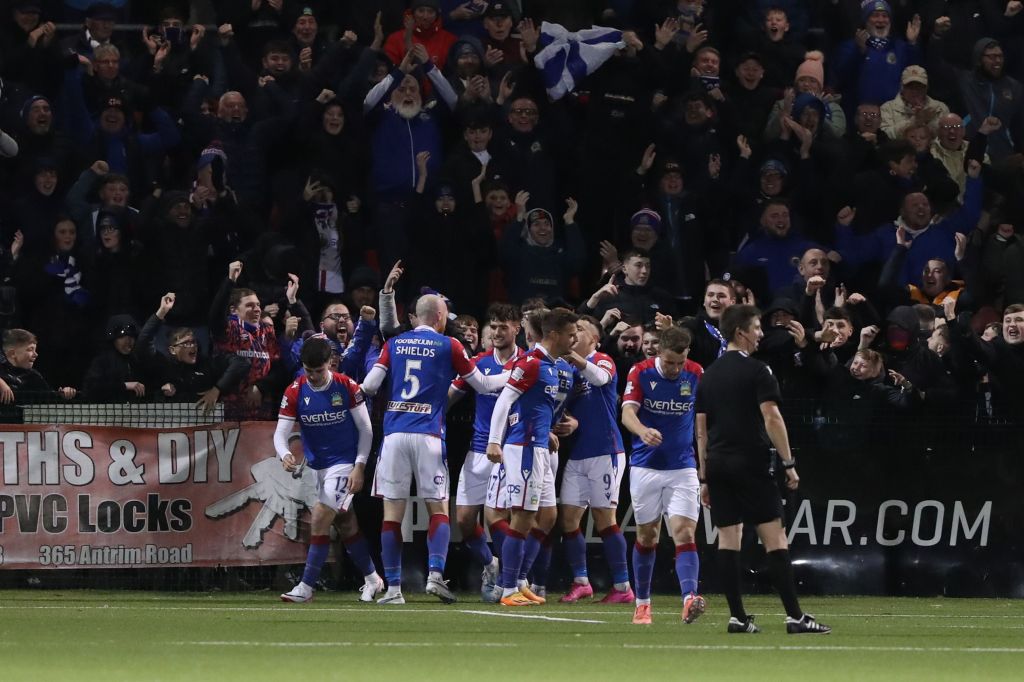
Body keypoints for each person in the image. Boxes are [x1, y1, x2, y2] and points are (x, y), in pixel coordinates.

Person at [360, 294, 506, 604]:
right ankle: (435, 575)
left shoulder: (394, 344)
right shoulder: (449, 345)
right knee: (438, 509)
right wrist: (516, 374)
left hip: (395, 434)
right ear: (440, 317)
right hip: (429, 435)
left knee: (392, 515)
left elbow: (370, 386)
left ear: (417, 316)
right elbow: (482, 384)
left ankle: (394, 589)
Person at [695, 304, 831, 634]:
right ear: (740, 331)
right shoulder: (758, 370)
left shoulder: (708, 374)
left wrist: (704, 476)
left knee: (728, 538)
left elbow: (700, 429)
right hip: (750, 461)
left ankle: (738, 618)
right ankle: (795, 617)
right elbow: (772, 417)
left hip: (717, 463)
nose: (760, 334)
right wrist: (788, 462)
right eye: (756, 328)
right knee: (774, 536)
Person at [276, 337, 384, 604]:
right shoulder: (294, 390)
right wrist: (285, 454)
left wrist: (359, 466)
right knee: (346, 524)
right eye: (308, 370)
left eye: (318, 370)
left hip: (344, 463)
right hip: (317, 467)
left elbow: (366, 430)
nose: (312, 376)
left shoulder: (347, 387)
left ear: (330, 363)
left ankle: (306, 587)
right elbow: (280, 433)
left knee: (320, 517)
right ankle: (373, 578)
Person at [486, 308, 578, 607]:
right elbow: (505, 400)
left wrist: (547, 430)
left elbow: (535, 407)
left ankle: (518, 581)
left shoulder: (553, 366)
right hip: (524, 448)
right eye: (570, 334)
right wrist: (494, 441)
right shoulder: (531, 363)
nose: (574, 339)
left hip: (539, 447)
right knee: (522, 517)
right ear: (553, 334)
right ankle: (507, 588)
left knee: (547, 515)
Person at [621, 326, 705, 625]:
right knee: (648, 536)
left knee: (685, 533)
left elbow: (702, 421)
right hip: (645, 467)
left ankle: (689, 598)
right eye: (669, 362)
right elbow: (627, 413)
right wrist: (643, 431)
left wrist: (704, 467)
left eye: (680, 362)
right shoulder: (640, 372)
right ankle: (642, 604)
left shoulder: (696, 373)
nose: (675, 369)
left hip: (683, 467)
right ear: (658, 352)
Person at [448, 303, 524, 602]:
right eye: (493, 326)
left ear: (517, 328)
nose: (497, 332)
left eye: (503, 327)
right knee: (464, 520)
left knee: (499, 517)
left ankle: (510, 580)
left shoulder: (528, 362)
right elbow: (451, 395)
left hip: (509, 451)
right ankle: (491, 565)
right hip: (478, 450)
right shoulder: (479, 363)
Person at [558, 315, 631, 604]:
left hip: (606, 451)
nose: (575, 333)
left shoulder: (602, 360)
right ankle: (581, 582)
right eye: (572, 330)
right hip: (578, 452)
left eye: (581, 329)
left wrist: (574, 358)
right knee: (568, 518)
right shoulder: (568, 370)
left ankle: (623, 587)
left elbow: (601, 379)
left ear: (595, 339)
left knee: (604, 518)